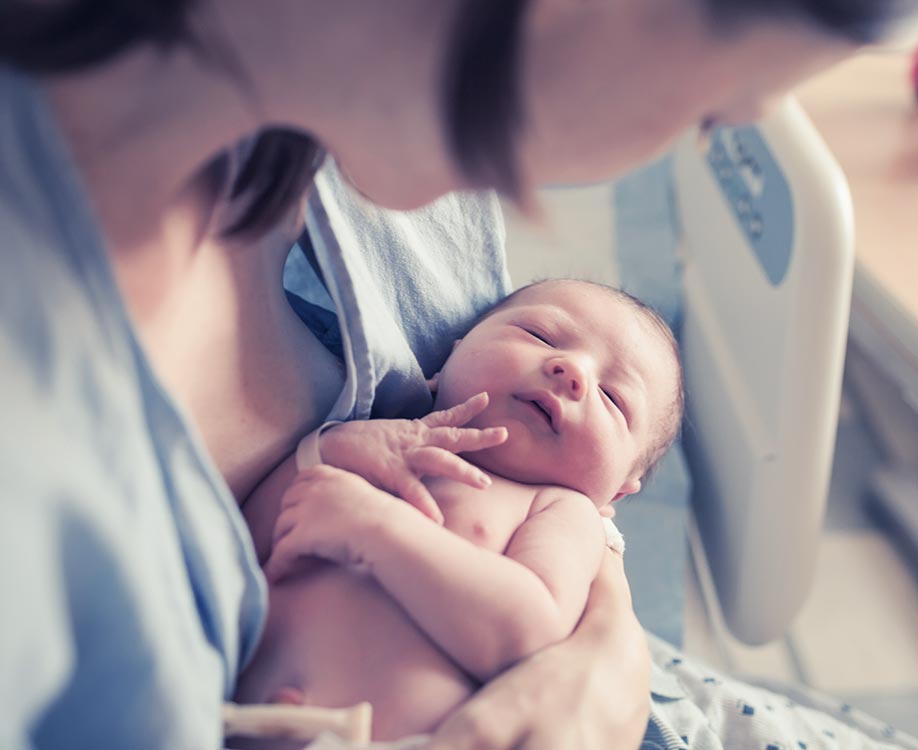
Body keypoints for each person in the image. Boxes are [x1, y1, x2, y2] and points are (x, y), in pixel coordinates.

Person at [0, 1, 918, 748]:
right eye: (708, 114)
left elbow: (562, 521)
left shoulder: (368, 119)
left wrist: (601, 664)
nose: (567, 369)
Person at [233, 279, 684, 744]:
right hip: (228, 714)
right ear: (451, 353)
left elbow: (525, 632)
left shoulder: (560, 510)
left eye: (613, 398)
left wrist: (374, 526)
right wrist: (325, 451)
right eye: (540, 335)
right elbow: (248, 534)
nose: (573, 371)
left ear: (618, 495)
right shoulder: (378, 435)